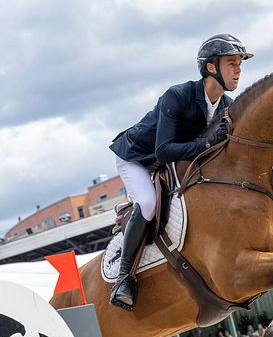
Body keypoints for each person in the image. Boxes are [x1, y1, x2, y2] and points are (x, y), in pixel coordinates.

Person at [108, 34, 253, 310]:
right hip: (137, 158)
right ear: (211, 67)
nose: (238, 70)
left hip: (169, 163)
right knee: (149, 203)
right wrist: (208, 142)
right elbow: (163, 150)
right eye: (231, 63)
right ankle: (123, 279)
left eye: (239, 65)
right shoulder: (179, 95)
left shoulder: (226, 107)